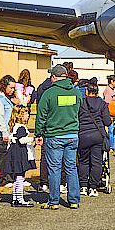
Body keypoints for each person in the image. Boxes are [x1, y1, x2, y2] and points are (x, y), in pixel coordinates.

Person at [34, 64, 82, 209]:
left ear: (54, 77)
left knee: (54, 169)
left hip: (54, 135)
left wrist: (38, 133)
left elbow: (41, 116)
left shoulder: (49, 93)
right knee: (71, 167)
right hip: (72, 134)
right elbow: (78, 111)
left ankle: (54, 201)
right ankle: (74, 200)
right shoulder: (76, 93)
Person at [78, 79, 111, 196]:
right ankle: (93, 188)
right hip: (97, 136)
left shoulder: (81, 103)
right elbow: (107, 121)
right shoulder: (102, 104)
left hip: (82, 135)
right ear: (97, 92)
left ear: (86, 92)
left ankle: (82, 186)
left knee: (83, 161)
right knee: (97, 162)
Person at [5, 106, 35, 207]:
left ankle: (15, 198)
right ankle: (20, 199)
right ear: (20, 116)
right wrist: (33, 139)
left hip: (14, 153)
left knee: (17, 178)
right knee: (20, 177)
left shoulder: (15, 126)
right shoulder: (21, 127)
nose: (28, 116)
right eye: (26, 114)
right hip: (20, 153)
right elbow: (21, 140)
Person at [0, 75, 18, 186]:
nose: (12, 90)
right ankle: (2, 179)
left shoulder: (9, 98)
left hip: (11, 131)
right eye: (10, 88)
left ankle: (10, 177)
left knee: (11, 155)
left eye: (13, 88)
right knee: (3, 156)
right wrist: (4, 133)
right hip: (3, 133)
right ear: (4, 86)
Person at [103, 74, 115, 151]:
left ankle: (114, 146)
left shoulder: (114, 90)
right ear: (111, 81)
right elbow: (108, 103)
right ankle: (110, 146)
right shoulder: (108, 90)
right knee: (110, 130)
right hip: (111, 114)